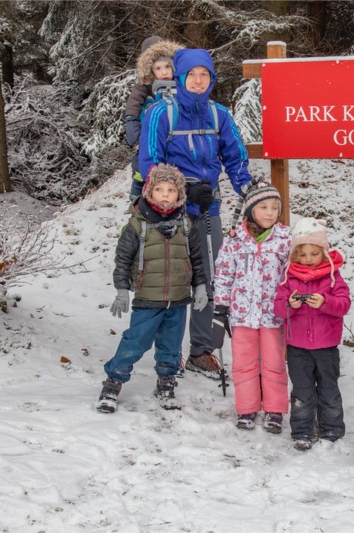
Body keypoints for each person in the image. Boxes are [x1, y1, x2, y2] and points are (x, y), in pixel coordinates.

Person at [139, 48, 253, 380]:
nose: (199, 80)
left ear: (212, 78)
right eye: (192, 75)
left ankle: (201, 350)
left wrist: (247, 189)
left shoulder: (219, 115)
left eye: (205, 75)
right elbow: (150, 165)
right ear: (180, 77)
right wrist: (181, 193)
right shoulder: (162, 113)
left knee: (210, 278)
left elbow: (235, 158)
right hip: (168, 211)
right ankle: (168, 353)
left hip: (207, 209)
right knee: (171, 281)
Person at [96, 164, 208, 413]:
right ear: (149, 192)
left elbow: (198, 260)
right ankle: (113, 381)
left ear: (180, 194)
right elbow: (123, 259)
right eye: (159, 189)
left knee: (171, 346)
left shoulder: (186, 226)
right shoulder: (137, 225)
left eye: (171, 190)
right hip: (148, 298)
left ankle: (166, 382)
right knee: (135, 343)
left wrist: (200, 287)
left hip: (178, 300)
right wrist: (122, 290)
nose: (165, 194)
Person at [213, 181, 291, 432]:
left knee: (274, 362)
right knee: (244, 363)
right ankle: (246, 407)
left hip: (272, 316)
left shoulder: (285, 239)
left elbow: (293, 273)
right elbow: (224, 275)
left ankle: (275, 409)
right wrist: (221, 308)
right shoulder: (235, 241)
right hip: (242, 314)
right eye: (264, 207)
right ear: (250, 210)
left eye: (275, 207)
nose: (270, 212)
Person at [273, 218, 351, 451]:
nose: (308, 259)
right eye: (303, 254)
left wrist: (325, 302)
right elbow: (278, 309)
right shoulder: (289, 278)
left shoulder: (333, 277)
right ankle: (302, 430)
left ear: (323, 253)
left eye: (314, 253)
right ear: (295, 255)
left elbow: (344, 304)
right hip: (297, 347)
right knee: (302, 390)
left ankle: (331, 428)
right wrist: (291, 304)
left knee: (329, 388)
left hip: (326, 346)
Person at [124, 36, 181, 199]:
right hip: (148, 133)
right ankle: (137, 192)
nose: (164, 72)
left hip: (174, 134)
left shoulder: (181, 85)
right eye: (158, 68)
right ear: (150, 69)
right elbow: (134, 102)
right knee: (141, 163)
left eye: (167, 67)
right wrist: (131, 120)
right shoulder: (144, 86)